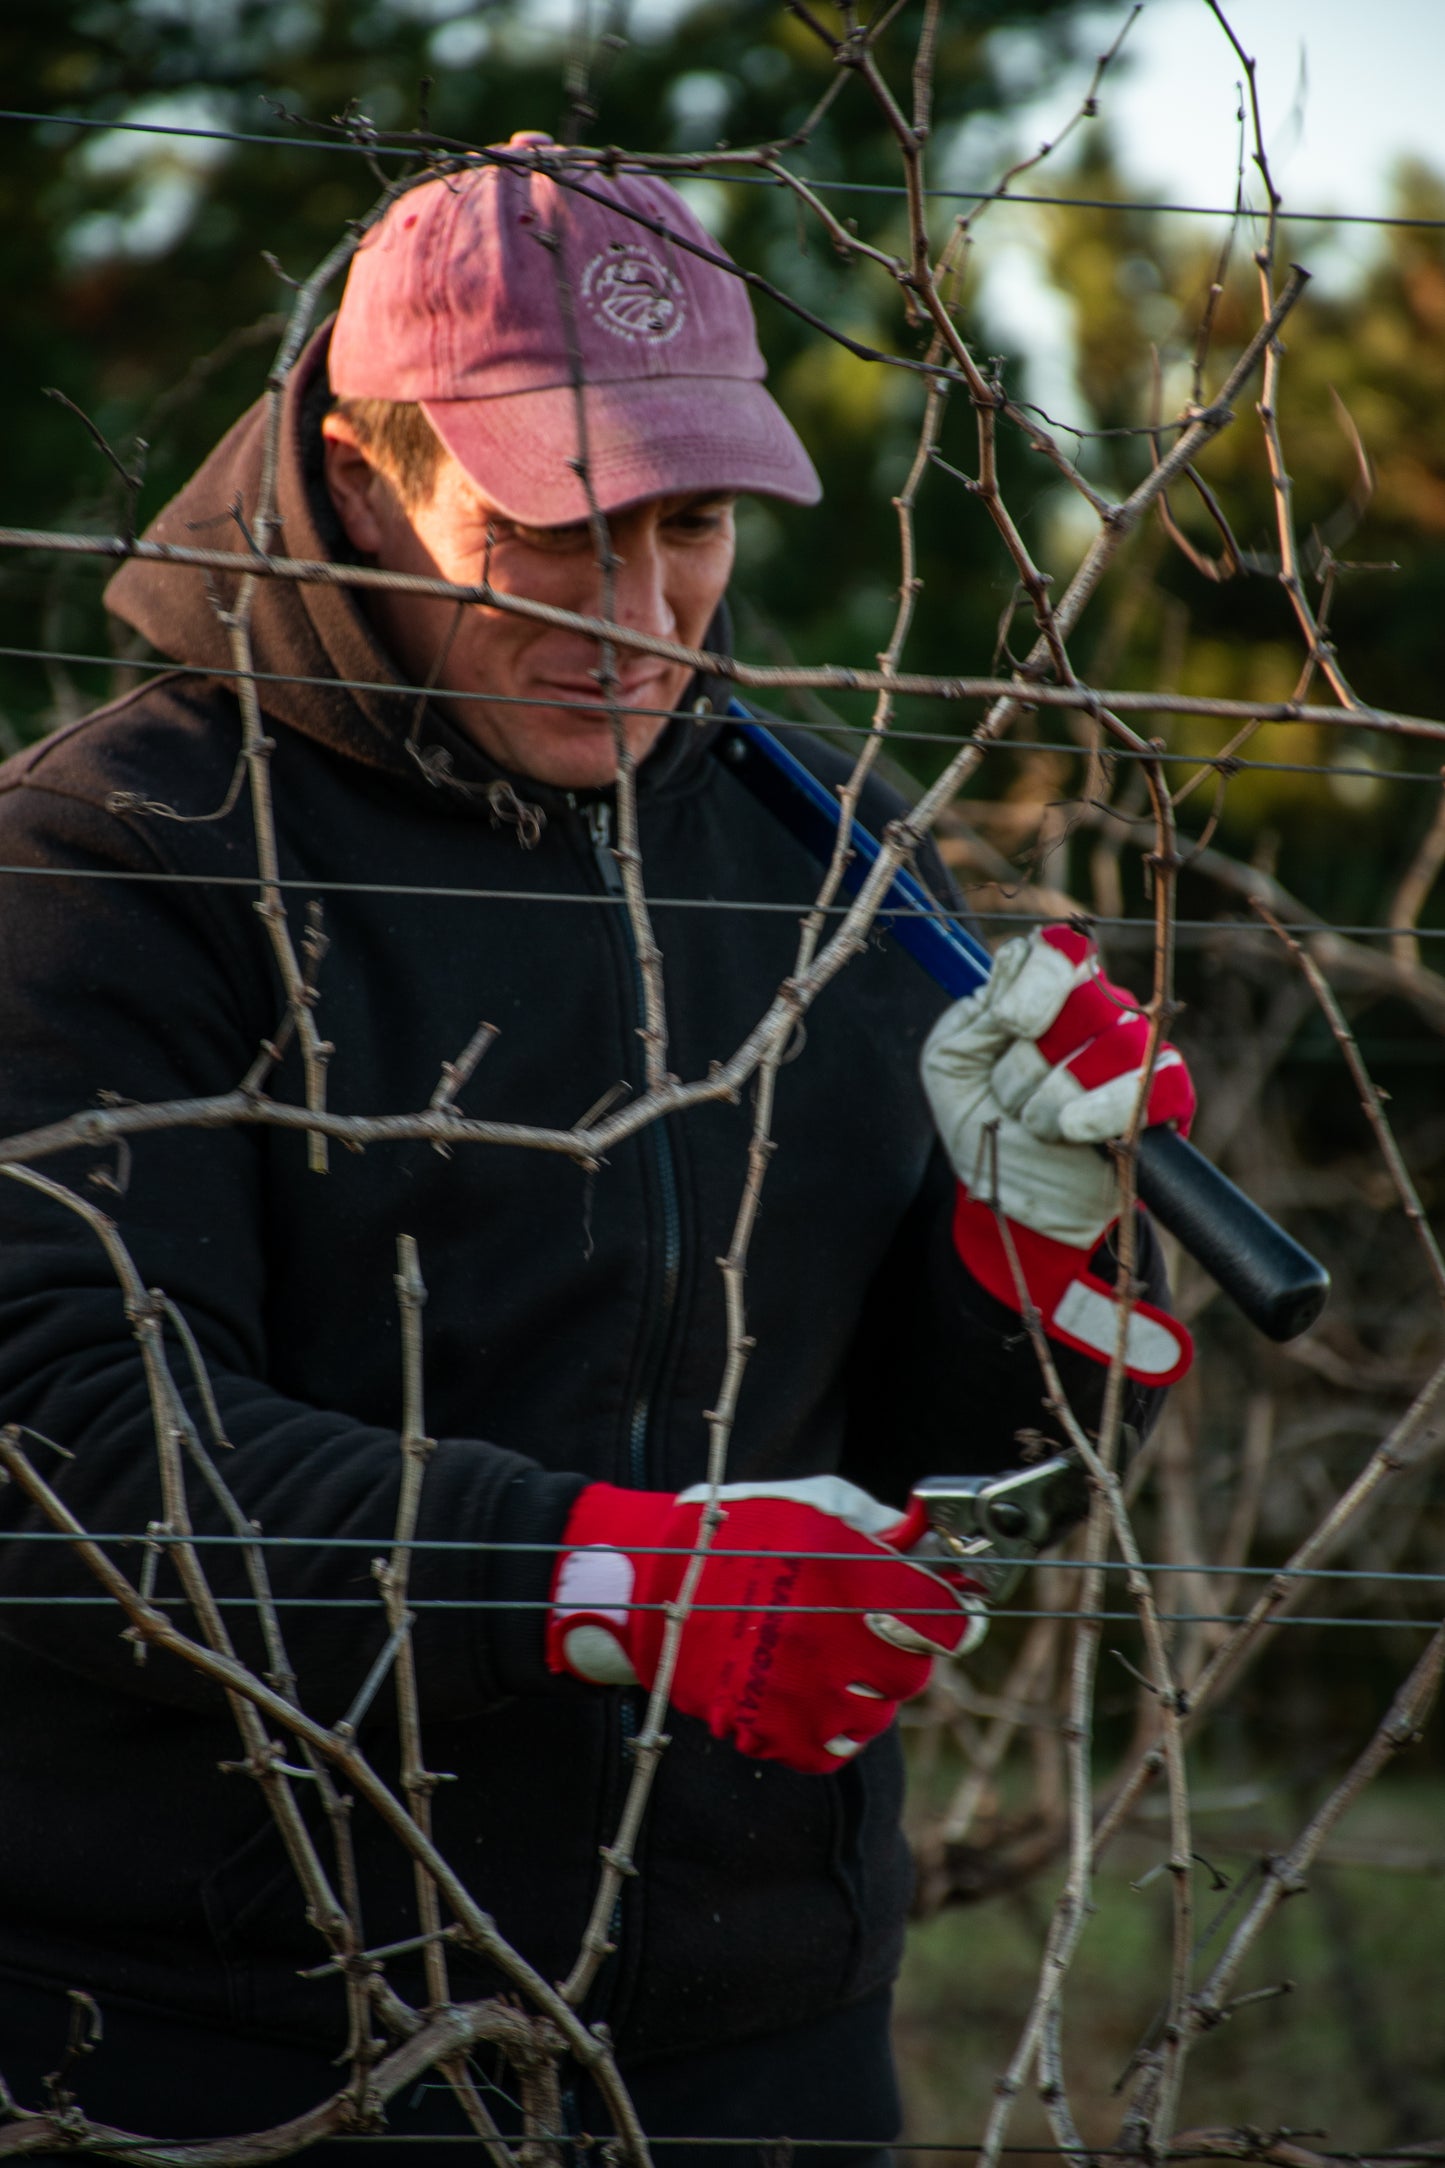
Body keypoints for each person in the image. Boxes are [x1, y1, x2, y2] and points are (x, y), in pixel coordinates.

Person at [0, 140, 1192, 2161]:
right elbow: (57, 1438)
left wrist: (1028, 1262)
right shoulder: (113, 857)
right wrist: (601, 1574)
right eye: (557, 530)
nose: (639, 617)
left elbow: (984, 1483)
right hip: (221, 2054)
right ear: (365, 478)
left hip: (759, 2050)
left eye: (694, 523)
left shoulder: (827, 856)